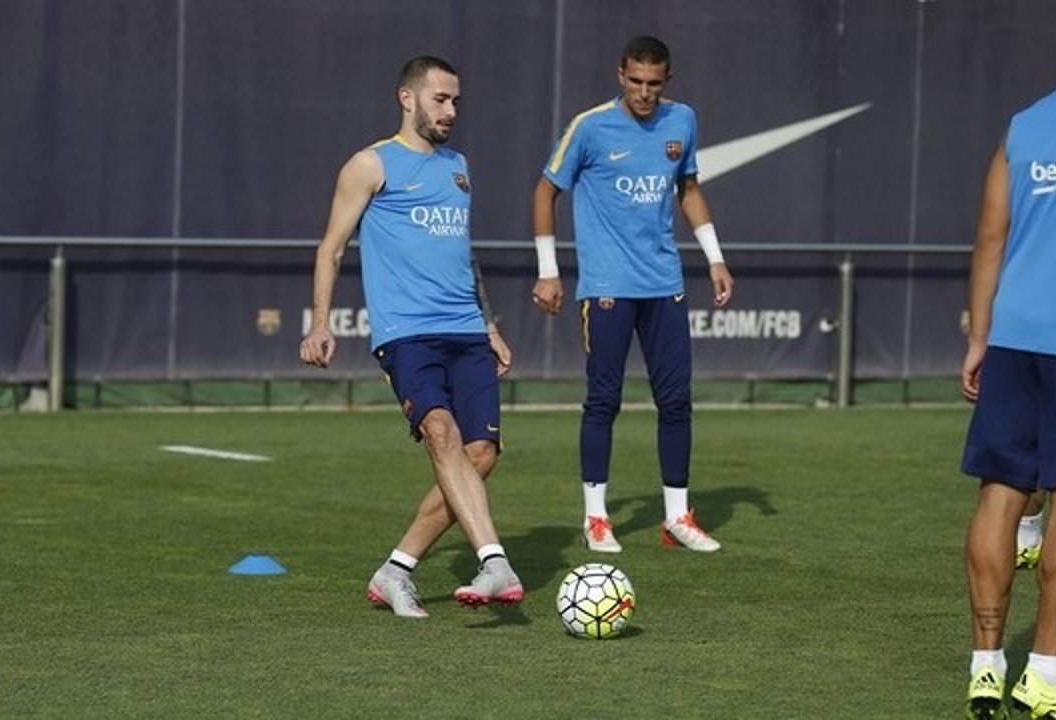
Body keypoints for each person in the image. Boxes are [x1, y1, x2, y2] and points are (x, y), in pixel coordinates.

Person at [299, 56, 523, 619]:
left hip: (466, 330)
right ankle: (494, 562)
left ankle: (395, 571)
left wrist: (489, 324)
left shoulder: (458, 166)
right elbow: (330, 249)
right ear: (407, 98)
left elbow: (462, 254)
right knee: (441, 431)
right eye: (439, 99)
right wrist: (320, 322)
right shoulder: (370, 165)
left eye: (456, 102)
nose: (450, 111)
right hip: (407, 334)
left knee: (481, 454)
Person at [529, 35, 733, 554]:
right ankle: (596, 518)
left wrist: (714, 258)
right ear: (620, 75)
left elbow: (689, 189)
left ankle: (677, 518)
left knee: (676, 401)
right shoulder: (590, 126)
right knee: (604, 400)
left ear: (667, 81)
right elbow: (545, 191)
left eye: (654, 84)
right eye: (636, 81)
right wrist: (549, 271)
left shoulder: (682, 120)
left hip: (664, 284)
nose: (644, 92)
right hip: (607, 287)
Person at [960, 82, 1056, 719]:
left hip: (1013, 337)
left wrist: (979, 338)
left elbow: (989, 239)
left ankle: (986, 664)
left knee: (999, 496)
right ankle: (1047, 674)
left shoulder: (1023, 125)